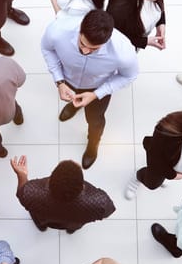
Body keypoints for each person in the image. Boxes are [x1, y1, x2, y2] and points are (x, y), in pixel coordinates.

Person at [41, 9, 138, 169]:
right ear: (80, 30)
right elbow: (47, 48)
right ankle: (73, 106)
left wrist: (96, 94)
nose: (85, 51)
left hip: (98, 87)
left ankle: (93, 143)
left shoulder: (123, 52)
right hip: (68, 80)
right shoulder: (58, 30)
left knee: (95, 120)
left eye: (94, 49)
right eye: (82, 44)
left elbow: (128, 76)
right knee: (73, 98)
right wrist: (59, 81)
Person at [10, 155, 115, 233]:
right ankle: (70, 230)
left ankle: (42, 227)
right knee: (72, 227)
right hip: (74, 222)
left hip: (44, 218)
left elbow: (21, 194)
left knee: (40, 222)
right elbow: (108, 212)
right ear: (82, 185)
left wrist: (22, 175)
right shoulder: (100, 202)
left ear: (50, 180)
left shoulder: (31, 193)